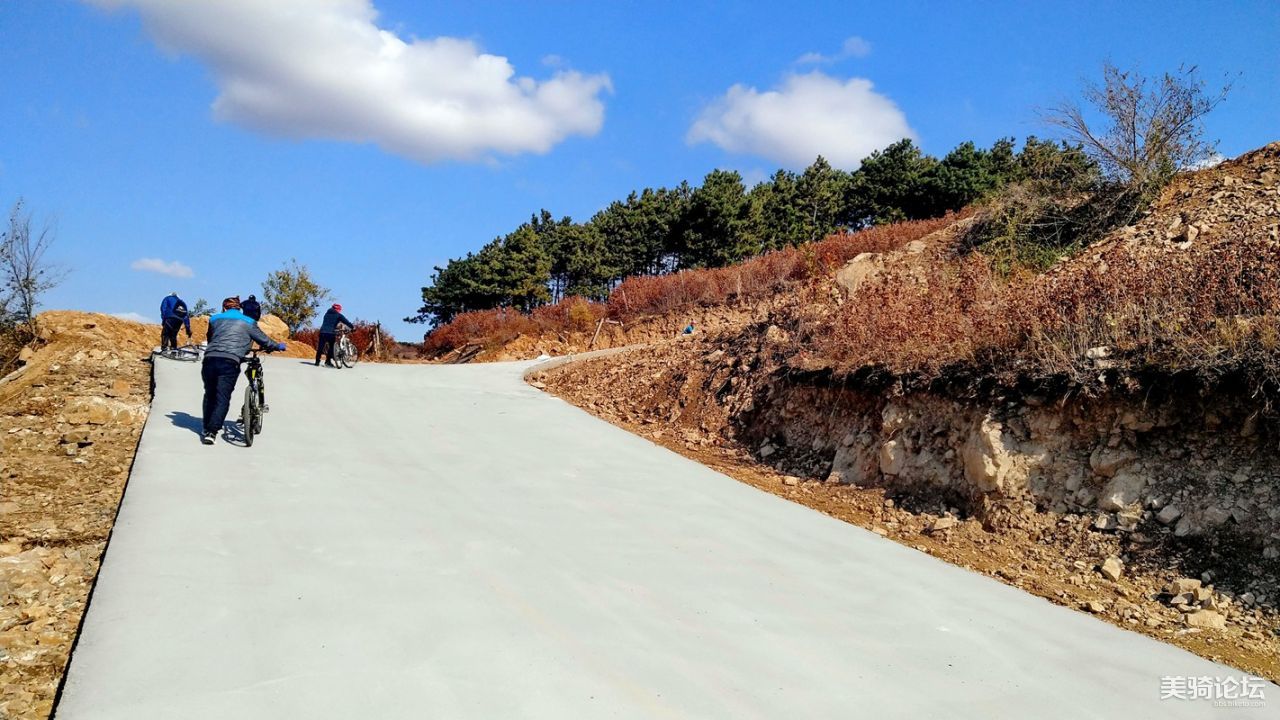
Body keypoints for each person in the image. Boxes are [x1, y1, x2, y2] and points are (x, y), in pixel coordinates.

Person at [201, 296, 286, 445]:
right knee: (222, 397)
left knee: (210, 394)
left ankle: (206, 427)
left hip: (210, 359)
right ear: (239, 308)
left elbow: (210, 338)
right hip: (230, 361)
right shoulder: (248, 321)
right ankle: (212, 432)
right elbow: (264, 340)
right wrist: (277, 346)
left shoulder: (214, 319)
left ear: (224, 307)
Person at [315, 303, 354, 367]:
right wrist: (352, 327)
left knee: (320, 347)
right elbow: (346, 322)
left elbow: (328, 323)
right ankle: (327, 362)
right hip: (330, 333)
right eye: (340, 309)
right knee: (331, 347)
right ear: (338, 309)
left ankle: (317, 362)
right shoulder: (338, 315)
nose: (340, 311)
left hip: (322, 332)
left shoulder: (326, 314)